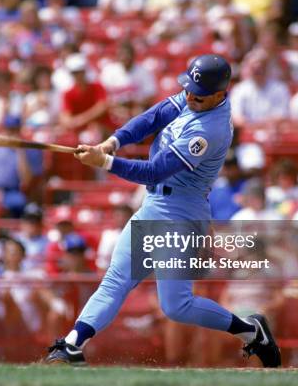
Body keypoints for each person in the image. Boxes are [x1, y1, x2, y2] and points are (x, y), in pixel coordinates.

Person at [45, 54, 281, 368]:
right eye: (188, 90)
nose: (189, 97)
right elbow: (153, 117)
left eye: (198, 94)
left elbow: (156, 171)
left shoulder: (211, 128)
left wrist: (104, 163)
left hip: (181, 213)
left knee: (176, 306)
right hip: (154, 205)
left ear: (220, 93)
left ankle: (252, 331)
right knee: (116, 279)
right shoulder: (195, 96)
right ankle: (72, 345)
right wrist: (113, 142)